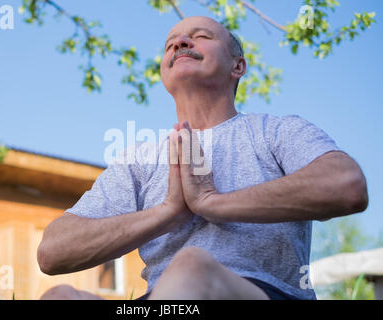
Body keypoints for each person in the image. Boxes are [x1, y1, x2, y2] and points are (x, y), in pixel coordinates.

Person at [37, 16, 368, 300]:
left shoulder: (275, 131)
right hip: (167, 301)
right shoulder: (137, 160)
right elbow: (52, 252)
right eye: (170, 43)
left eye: (201, 36)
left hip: (267, 292)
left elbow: (346, 185)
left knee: (191, 265)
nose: (180, 42)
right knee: (60, 296)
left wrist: (212, 202)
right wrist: (168, 211)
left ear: (237, 66)